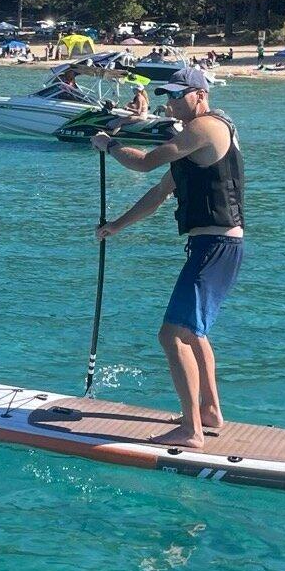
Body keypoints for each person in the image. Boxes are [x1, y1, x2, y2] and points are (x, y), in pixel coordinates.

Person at [90, 66, 242, 450]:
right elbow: (158, 193)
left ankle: (192, 432)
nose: (170, 103)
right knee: (193, 333)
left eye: (178, 96)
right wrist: (116, 226)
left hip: (216, 248)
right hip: (214, 248)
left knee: (170, 335)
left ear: (200, 95)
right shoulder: (193, 147)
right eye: (168, 97)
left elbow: (144, 163)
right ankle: (209, 413)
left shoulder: (205, 127)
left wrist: (109, 145)